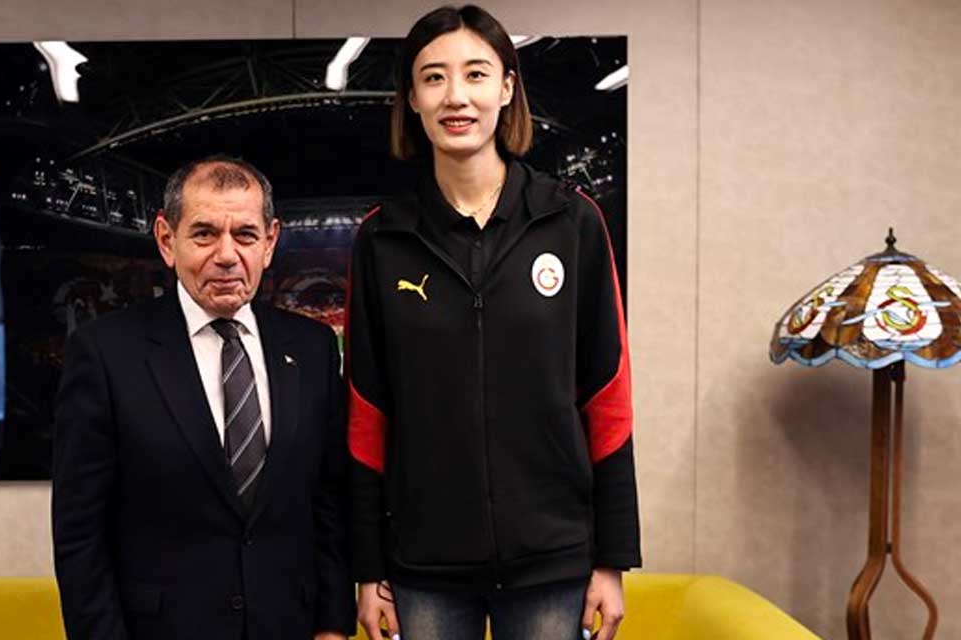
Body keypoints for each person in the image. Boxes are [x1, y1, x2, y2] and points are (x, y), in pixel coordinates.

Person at [345, 6, 640, 640]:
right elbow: (367, 413)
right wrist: (367, 568)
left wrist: (612, 558)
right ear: (412, 99)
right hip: (423, 568)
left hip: (553, 562)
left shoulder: (572, 222)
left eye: (476, 74)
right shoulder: (381, 239)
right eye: (434, 78)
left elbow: (608, 395)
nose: (456, 96)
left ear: (506, 88)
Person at [52, 156, 354, 640]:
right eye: (205, 234)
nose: (227, 255)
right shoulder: (105, 352)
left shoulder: (313, 348)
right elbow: (79, 532)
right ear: (166, 240)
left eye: (246, 235)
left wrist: (333, 624)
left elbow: (329, 501)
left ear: (270, 242)